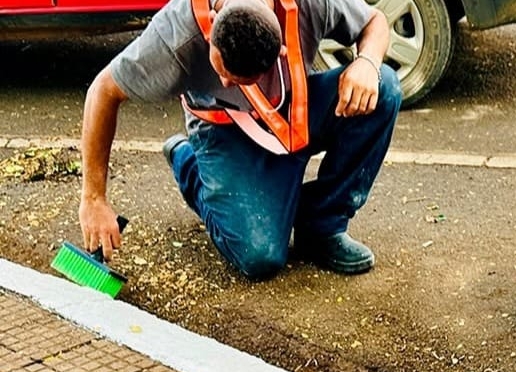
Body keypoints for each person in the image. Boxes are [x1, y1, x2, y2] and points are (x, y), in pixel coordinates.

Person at [79, 0, 401, 280]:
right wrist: (93, 199)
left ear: (280, 52)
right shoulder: (176, 32)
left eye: (235, 79)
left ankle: (321, 227)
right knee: (259, 258)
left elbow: (375, 21)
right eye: (221, 69)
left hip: (293, 108)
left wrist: (367, 62)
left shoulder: (313, 3)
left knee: (383, 86)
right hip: (224, 133)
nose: (223, 81)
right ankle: (188, 163)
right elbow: (103, 91)